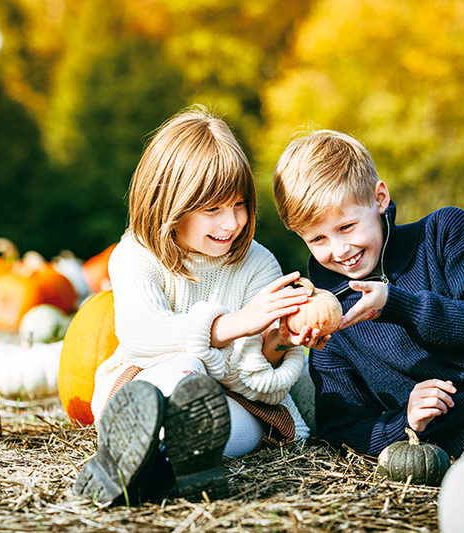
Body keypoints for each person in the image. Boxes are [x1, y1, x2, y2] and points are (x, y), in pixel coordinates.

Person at [271, 129, 464, 458]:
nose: (339, 249)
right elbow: (341, 431)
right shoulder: (331, 323)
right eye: (318, 239)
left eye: (347, 227)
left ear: (379, 199)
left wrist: (398, 305)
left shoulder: (443, 233)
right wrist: (406, 422)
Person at [73, 106, 319, 506]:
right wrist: (232, 325)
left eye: (238, 204)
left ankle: (153, 467)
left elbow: (256, 383)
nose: (231, 223)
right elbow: (142, 333)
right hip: (147, 384)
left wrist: (276, 343)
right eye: (212, 209)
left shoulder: (258, 265)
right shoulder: (135, 254)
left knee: (225, 419)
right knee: (184, 372)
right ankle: (161, 455)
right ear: (169, 203)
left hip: (233, 399)